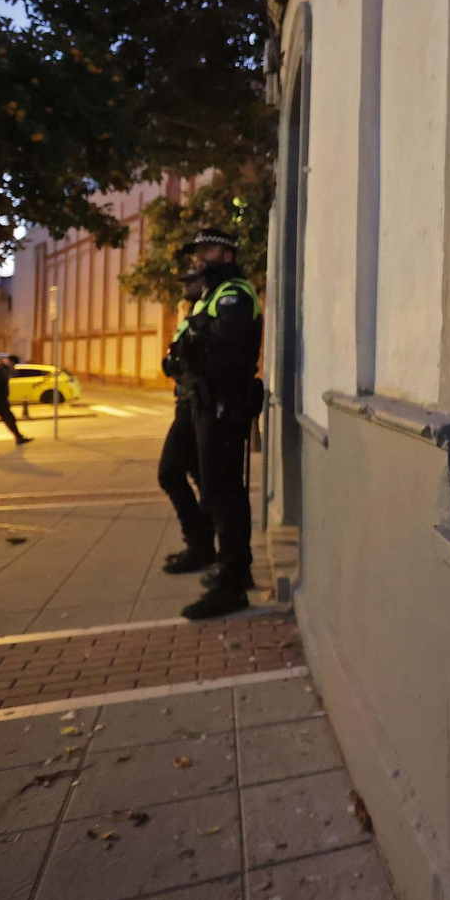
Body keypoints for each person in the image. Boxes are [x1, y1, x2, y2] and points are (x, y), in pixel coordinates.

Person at [173, 228, 262, 620]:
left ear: (227, 255)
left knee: (224, 494)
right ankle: (233, 572)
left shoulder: (234, 293)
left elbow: (220, 346)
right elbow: (185, 351)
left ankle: (232, 587)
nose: (199, 257)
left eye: (207, 249)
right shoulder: (211, 296)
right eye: (197, 251)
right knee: (217, 491)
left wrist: (195, 340)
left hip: (225, 404)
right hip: (209, 403)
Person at [157, 268, 214, 575]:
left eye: (191, 281)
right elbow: (173, 359)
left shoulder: (209, 308)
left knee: (170, 472)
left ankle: (200, 544)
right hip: (187, 402)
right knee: (199, 475)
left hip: (196, 404)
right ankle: (202, 546)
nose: (185, 287)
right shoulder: (193, 312)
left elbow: (193, 357)